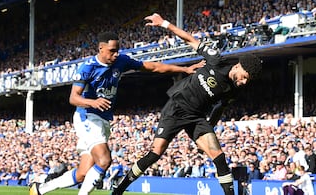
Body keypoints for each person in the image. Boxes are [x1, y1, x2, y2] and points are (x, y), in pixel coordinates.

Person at [29, 31, 204, 195]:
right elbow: (73, 98)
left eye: (117, 51)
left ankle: (40, 189)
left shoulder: (121, 61)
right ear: (101, 48)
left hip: (103, 120)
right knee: (104, 161)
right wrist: (93, 102)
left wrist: (184, 70)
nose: (115, 54)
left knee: (83, 173)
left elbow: (153, 67)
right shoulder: (87, 68)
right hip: (86, 117)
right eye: (112, 51)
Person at [111, 13, 262, 195]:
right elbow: (190, 39)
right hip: (176, 108)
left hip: (196, 118)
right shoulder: (216, 60)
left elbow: (219, 109)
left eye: (248, 80)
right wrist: (163, 23)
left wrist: (209, 129)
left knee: (219, 157)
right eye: (245, 77)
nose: (244, 82)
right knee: (155, 154)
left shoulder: (234, 90)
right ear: (238, 66)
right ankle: (119, 189)